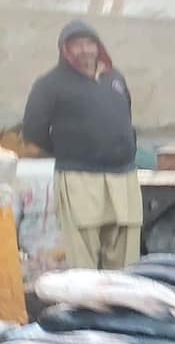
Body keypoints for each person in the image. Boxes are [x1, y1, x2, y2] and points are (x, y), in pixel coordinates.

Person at [21, 20, 142, 269]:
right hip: (79, 177)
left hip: (123, 176)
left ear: (99, 47)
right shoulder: (50, 84)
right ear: (65, 50)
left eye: (89, 43)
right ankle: (87, 296)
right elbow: (33, 131)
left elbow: (126, 114)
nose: (85, 50)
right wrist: (68, 148)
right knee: (83, 253)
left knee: (125, 253)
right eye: (76, 45)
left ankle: (121, 294)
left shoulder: (114, 77)